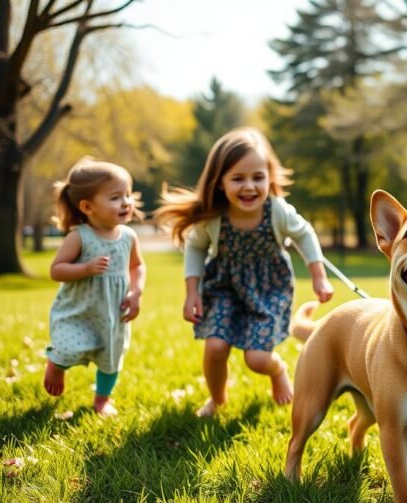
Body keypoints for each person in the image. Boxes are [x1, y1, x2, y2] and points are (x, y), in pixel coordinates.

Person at [155, 127, 334, 417]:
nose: (249, 186)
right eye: (238, 178)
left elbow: (304, 235)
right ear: (220, 183)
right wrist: (192, 293)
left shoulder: (278, 211)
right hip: (223, 287)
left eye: (257, 177)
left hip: (270, 288)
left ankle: (278, 371)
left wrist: (319, 276)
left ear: (269, 177)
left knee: (258, 359)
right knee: (214, 347)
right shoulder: (213, 217)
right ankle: (217, 399)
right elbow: (196, 248)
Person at [43, 157, 146, 417]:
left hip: (113, 312)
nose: (125, 202)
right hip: (79, 309)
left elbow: (137, 266)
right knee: (67, 346)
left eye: (127, 194)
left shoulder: (128, 236)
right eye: (115, 197)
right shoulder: (79, 237)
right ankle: (56, 365)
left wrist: (136, 293)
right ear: (88, 206)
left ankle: (102, 399)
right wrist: (85, 269)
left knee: (112, 357)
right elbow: (56, 270)